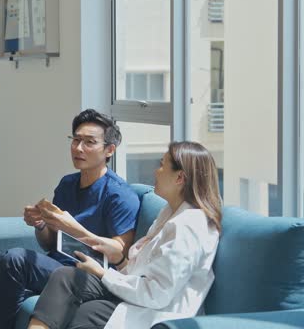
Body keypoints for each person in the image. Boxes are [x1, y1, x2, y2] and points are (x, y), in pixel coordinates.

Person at [0, 109, 140, 329]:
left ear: (109, 150)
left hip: (89, 273)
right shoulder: (67, 184)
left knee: (18, 258)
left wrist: (74, 228)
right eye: (76, 140)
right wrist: (41, 224)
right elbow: (50, 242)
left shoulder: (119, 194)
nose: (79, 148)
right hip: (57, 263)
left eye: (89, 142)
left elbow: (120, 252)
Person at [27, 141, 222, 329]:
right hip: (135, 292)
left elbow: (158, 293)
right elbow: (146, 268)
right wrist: (119, 260)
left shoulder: (189, 226)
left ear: (180, 178)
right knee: (67, 278)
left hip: (156, 309)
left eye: (162, 166)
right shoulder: (169, 213)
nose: (156, 171)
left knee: (84, 311)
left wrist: (102, 273)